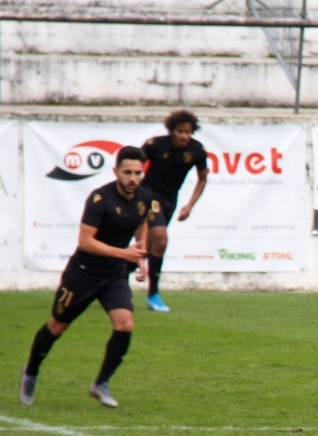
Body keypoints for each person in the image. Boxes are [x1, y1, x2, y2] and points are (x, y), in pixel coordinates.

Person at [19, 147, 157, 408]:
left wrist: (140, 254)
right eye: (127, 172)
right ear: (116, 171)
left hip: (114, 274)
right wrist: (123, 253)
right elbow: (85, 242)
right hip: (83, 273)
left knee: (125, 324)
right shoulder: (100, 199)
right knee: (57, 326)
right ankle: (31, 372)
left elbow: (142, 222)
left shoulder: (145, 198)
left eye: (138, 173)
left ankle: (100, 384)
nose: (133, 178)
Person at [139, 109, 209, 312]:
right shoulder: (156, 144)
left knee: (150, 249)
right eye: (180, 131)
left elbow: (203, 178)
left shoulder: (197, 150)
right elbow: (135, 165)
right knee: (161, 238)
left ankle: (115, 273)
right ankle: (153, 295)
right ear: (172, 130)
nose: (184, 136)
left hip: (170, 201)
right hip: (149, 197)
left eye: (188, 132)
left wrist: (190, 205)